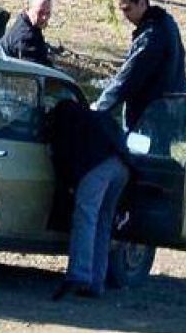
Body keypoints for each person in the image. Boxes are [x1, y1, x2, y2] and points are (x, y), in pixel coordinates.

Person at [48, 99, 130, 300]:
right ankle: (96, 283)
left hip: (96, 168)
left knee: (86, 217)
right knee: (103, 222)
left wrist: (68, 185)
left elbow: (62, 159)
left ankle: (79, 275)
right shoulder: (94, 117)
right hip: (121, 166)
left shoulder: (62, 122)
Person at [93, 0, 186, 129]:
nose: (125, 16)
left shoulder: (151, 35)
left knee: (144, 150)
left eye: (128, 9)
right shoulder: (167, 24)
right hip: (168, 107)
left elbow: (130, 75)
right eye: (122, 10)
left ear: (142, 4)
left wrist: (101, 106)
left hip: (150, 113)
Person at [0, 0, 54, 67]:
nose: (44, 17)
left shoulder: (29, 24)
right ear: (27, 9)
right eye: (40, 12)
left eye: (48, 13)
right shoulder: (26, 36)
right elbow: (35, 70)